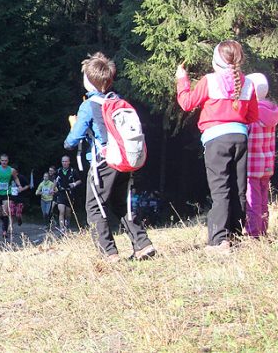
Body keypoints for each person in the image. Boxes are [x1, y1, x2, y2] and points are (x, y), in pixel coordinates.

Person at [66, 52, 155, 262]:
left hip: (103, 162)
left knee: (95, 206)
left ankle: (109, 253)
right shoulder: (117, 101)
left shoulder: (88, 105)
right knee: (121, 203)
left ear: (88, 81)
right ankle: (142, 245)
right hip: (124, 159)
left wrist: (74, 126)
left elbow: (71, 141)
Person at [177, 40, 258, 252]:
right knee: (239, 189)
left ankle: (219, 240)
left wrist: (181, 80)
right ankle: (235, 236)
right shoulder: (247, 83)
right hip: (240, 138)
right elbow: (252, 116)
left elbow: (187, 103)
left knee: (220, 189)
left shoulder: (209, 81)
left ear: (216, 60)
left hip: (216, 140)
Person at [245, 74, 277, 237]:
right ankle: (263, 230)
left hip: (252, 165)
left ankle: (253, 233)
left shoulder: (252, 114)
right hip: (267, 164)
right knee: (264, 200)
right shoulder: (272, 112)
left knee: (252, 201)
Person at [0, 154, 25, 238]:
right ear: (0, 161)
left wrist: (19, 186)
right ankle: (5, 223)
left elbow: (15, 178)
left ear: (8, 161)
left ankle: (4, 231)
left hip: (7, 192)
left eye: (5, 161)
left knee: (5, 212)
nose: (4, 162)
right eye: (2, 160)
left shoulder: (11, 170)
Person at [54, 156, 81, 232]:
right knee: (61, 210)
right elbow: (55, 181)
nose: (64, 163)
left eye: (66, 161)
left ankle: (67, 224)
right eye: (63, 161)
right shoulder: (58, 171)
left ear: (69, 162)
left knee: (68, 212)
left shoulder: (73, 171)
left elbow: (79, 180)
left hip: (70, 193)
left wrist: (74, 184)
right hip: (61, 192)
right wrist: (52, 188)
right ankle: (62, 228)